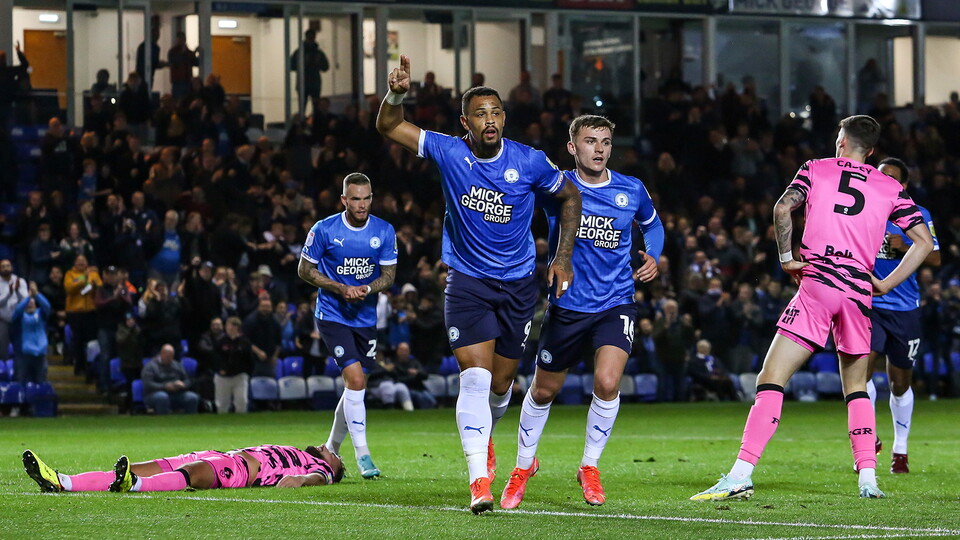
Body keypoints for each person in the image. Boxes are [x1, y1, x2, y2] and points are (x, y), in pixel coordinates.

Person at [376, 55, 581, 514]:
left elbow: (570, 195)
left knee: (501, 386)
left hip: (518, 286)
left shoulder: (528, 161)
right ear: (465, 122)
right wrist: (397, 94)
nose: (490, 121)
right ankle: (478, 479)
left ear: (504, 118)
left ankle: (486, 434)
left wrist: (562, 257)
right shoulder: (449, 150)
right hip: (467, 282)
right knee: (475, 378)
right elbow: (389, 126)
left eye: (496, 113)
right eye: (481, 115)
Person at [690, 115, 934, 502]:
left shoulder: (816, 168)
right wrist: (886, 283)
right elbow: (923, 242)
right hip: (858, 293)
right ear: (871, 151)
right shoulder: (890, 187)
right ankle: (868, 479)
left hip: (818, 285)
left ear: (841, 141)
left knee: (770, 380)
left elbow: (782, 209)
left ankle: (740, 473)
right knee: (856, 388)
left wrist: (787, 258)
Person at [499, 115, 663, 509]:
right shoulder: (558, 189)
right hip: (568, 304)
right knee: (542, 391)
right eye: (590, 141)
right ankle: (523, 467)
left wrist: (653, 256)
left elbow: (653, 226)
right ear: (573, 148)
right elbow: (516, 203)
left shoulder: (631, 189)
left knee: (607, 383)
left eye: (605, 141)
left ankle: (589, 467)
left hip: (615, 301)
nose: (600, 149)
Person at [298, 172, 397, 480]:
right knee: (355, 380)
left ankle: (330, 448)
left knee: (356, 386)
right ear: (344, 200)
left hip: (366, 318)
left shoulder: (384, 231)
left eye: (366, 198)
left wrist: (368, 289)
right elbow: (304, 269)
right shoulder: (324, 229)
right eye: (355, 198)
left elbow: (389, 275)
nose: (362, 204)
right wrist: (339, 288)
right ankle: (363, 454)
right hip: (332, 314)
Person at [864, 157, 940, 474]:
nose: (885, 182)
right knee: (859, 373)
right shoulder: (863, 210)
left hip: (904, 309)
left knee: (898, 384)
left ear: (903, 185)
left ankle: (900, 450)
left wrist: (906, 242)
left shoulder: (918, 215)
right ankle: (866, 441)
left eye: (892, 178)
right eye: (880, 176)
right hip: (867, 305)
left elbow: (935, 259)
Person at [22, 443, 344, 493]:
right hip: (224, 454)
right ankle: (62, 481)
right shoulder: (304, 451)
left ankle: (134, 486)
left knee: (191, 474)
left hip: (241, 469)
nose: (331, 450)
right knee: (141, 466)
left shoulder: (322, 469)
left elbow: (317, 477)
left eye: (337, 456)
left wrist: (300, 481)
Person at [64, 255, 101, 375]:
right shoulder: (70, 274)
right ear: (74, 263)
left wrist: (95, 286)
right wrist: (83, 278)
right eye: (78, 261)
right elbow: (69, 288)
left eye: (83, 261)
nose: (81, 263)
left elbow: (100, 288)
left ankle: (90, 367)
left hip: (90, 311)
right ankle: (78, 366)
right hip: (75, 312)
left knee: (90, 341)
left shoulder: (93, 274)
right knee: (78, 340)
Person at [141, 343, 199, 415]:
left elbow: (187, 380)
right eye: (168, 357)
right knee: (162, 397)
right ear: (162, 354)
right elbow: (148, 384)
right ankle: (164, 421)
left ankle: (190, 421)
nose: (170, 359)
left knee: (192, 397)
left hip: (176, 393)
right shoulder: (150, 366)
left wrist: (183, 384)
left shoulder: (177, 365)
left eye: (171, 357)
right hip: (155, 393)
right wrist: (165, 386)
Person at [12, 282, 51, 385]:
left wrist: (36, 294)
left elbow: (47, 306)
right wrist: (28, 297)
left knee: (40, 382)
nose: (30, 303)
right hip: (23, 355)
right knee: (22, 383)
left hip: (40, 354)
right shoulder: (19, 316)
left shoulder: (40, 314)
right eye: (28, 302)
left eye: (32, 302)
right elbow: (18, 310)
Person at [213, 317, 255, 414]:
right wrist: (219, 369)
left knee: (242, 402)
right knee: (222, 404)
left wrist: (247, 372)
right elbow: (214, 358)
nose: (231, 328)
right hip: (223, 377)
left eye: (233, 326)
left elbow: (250, 359)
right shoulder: (220, 341)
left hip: (239, 376)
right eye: (229, 326)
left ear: (238, 328)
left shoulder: (244, 342)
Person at [289, 29, 329, 114]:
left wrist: (316, 63)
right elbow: (291, 66)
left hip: (312, 83)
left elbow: (325, 67)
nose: (311, 39)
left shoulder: (315, 53)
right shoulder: (301, 52)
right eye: (310, 37)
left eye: (312, 37)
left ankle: (312, 122)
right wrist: (304, 64)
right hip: (306, 82)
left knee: (314, 107)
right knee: (304, 106)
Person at [0, 259, 29, 364]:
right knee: (2, 350)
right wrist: (9, 293)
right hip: (3, 320)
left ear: (12, 267)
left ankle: (19, 375)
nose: (5, 268)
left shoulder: (20, 281)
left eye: (7, 266)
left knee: (20, 349)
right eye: (3, 266)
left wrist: (16, 291)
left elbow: (26, 301)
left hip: (18, 320)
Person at [167, 32, 199, 100]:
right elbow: (175, 62)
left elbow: (196, 63)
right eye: (180, 39)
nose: (182, 41)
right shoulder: (172, 52)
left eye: (183, 39)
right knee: (177, 100)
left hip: (187, 81)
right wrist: (183, 53)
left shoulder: (188, 52)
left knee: (187, 100)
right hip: (177, 81)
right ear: (177, 39)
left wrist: (195, 54)